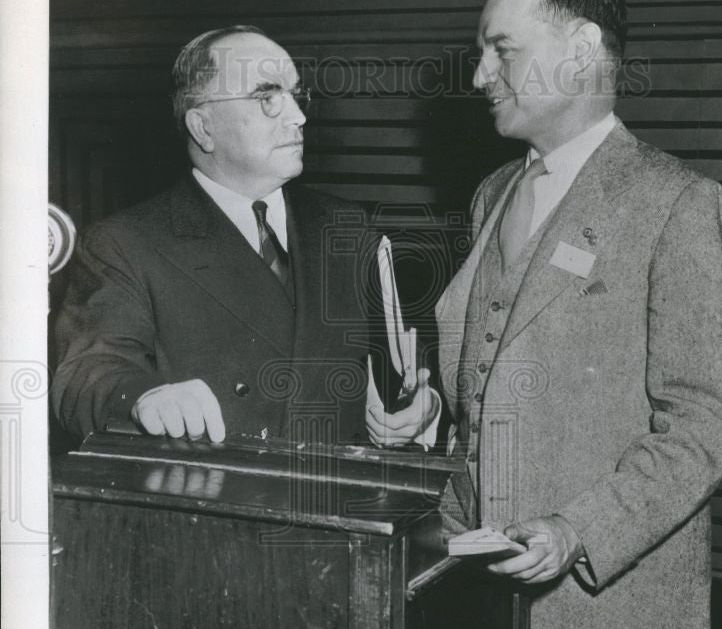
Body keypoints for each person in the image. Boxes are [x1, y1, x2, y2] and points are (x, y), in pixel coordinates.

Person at [369, 0, 722, 629]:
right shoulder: (494, 193)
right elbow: (494, 370)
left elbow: (706, 425)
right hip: (478, 612)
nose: (480, 75)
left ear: (580, 50)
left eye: (501, 50)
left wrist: (577, 531)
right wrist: (432, 413)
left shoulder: (680, 205)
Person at [53, 25, 437, 447]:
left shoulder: (347, 227)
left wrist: (420, 409)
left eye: (296, 95)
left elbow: (397, 372)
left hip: (335, 498)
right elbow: (87, 374)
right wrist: (145, 397)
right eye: (267, 97)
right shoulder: (122, 244)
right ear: (203, 127)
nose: (299, 116)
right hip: (218, 501)